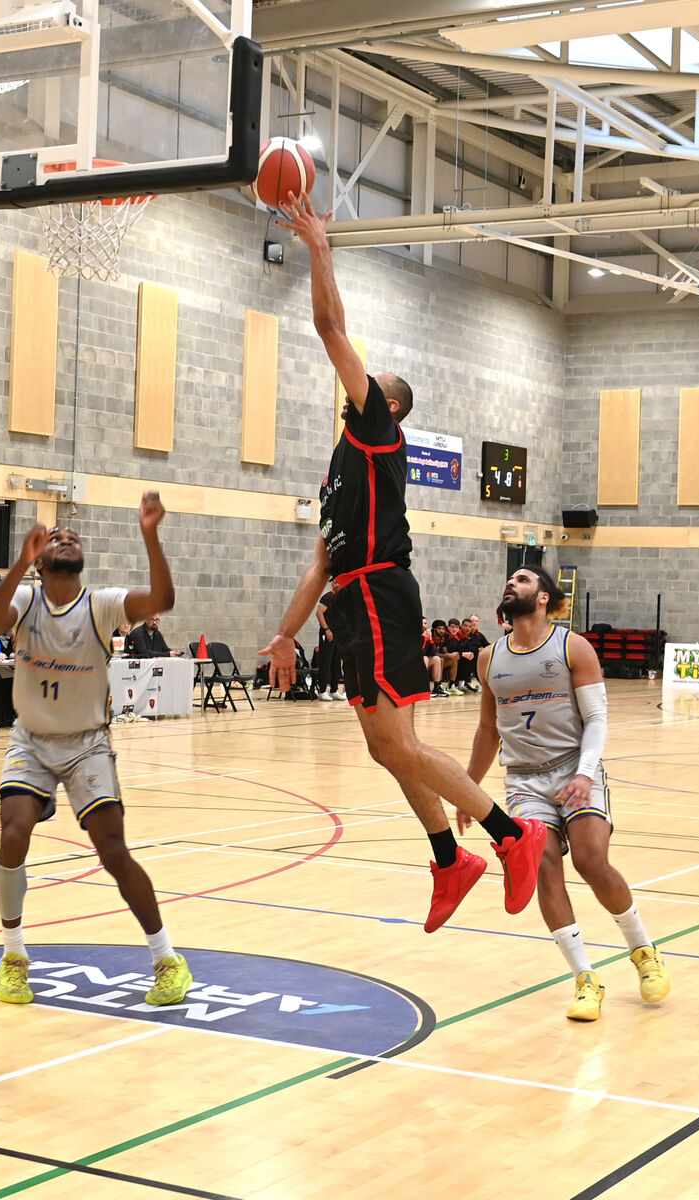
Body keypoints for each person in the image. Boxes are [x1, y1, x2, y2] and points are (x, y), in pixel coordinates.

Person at [261, 190, 546, 933]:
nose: (361, 380)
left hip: (384, 593)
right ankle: (449, 859)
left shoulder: (377, 428)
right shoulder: (339, 467)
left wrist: (319, 245)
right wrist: (287, 633)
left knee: (399, 743)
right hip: (351, 598)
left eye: (372, 381)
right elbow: (321, 559)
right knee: (387, 750)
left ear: (390, 406)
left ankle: (513, 838)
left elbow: (328, 325)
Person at [0, 492, 193, 1007]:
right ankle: (13, 956)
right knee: (14, 833)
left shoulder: (101, 603)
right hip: (32, 740)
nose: (66, 537)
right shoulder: (26, 600)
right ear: (42, 558)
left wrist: (149, 534)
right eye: (55, 537)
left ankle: (167, 959)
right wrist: (18, 566)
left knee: (113, 852)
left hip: (86, 743)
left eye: (72, 536)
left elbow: (162, 601)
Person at [461, 565, 671, 1020]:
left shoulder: (572, 647)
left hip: (575, 770)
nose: (511, 584)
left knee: (591, 860)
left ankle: (643, 950)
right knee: (542, 864)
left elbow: (596, 719)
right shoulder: (487, 657)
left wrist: (584, 772)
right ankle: (584, 978)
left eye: (522, 579)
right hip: (522, 780)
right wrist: (467, 788)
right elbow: (486, 729)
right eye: (509, 580)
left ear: (542, 597)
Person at [316, 597, 346, 700]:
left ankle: (334, 690)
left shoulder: (343, 597)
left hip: (338, 634)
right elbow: (319, 613)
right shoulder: (328, 597)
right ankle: (323, 690)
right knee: (325, 661)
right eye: (334, 582)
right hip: (328, 633)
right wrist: (327, 629)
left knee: (336, 662)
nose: (336, 583)